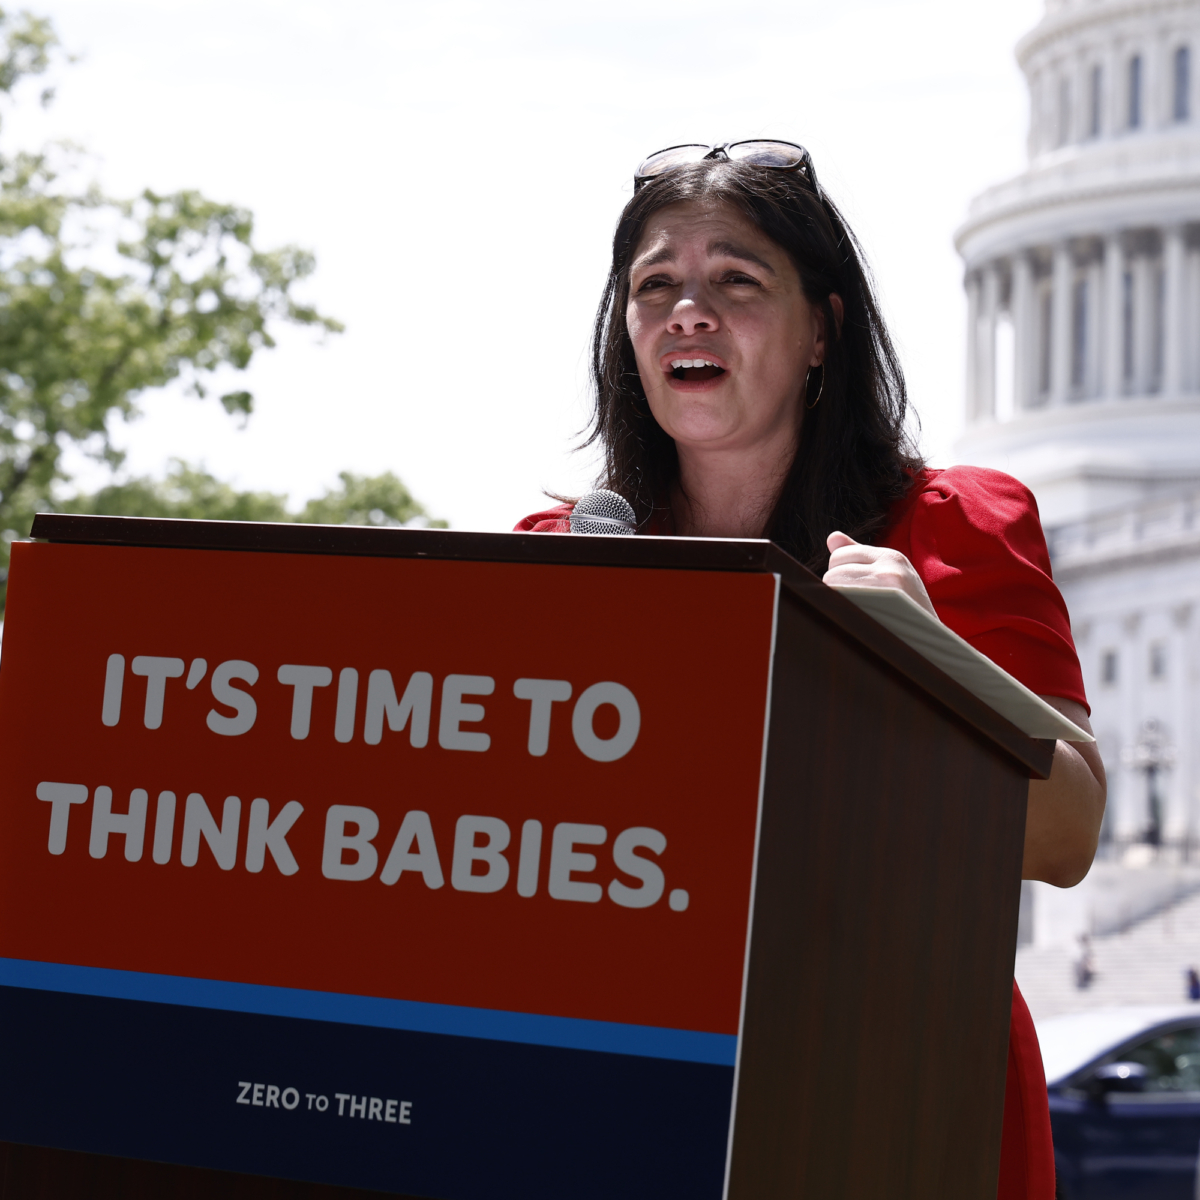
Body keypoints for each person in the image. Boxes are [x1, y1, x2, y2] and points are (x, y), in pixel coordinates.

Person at [516, 140, 1106, 1199]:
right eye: (656, 287)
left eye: (736, 282)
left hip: (899, 1086)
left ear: (822, 330)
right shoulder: (563, 551)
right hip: (635, 1078)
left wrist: (926, 653)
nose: (687, 312)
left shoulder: (957, 531)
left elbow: (1067, 838)